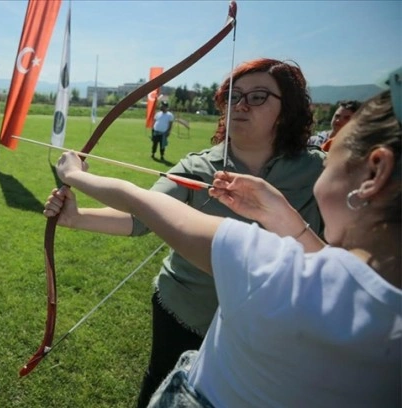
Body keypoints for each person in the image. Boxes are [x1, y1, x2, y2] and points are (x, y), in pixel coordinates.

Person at [47, 87, 401, 407]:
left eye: (332, 154)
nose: (240, 104)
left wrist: (75, 175)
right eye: (233, 96)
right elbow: (332, 271)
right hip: (180, 310)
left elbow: (144, 205)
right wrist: (286, 218)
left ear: (374, 173)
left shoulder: (271, 268)